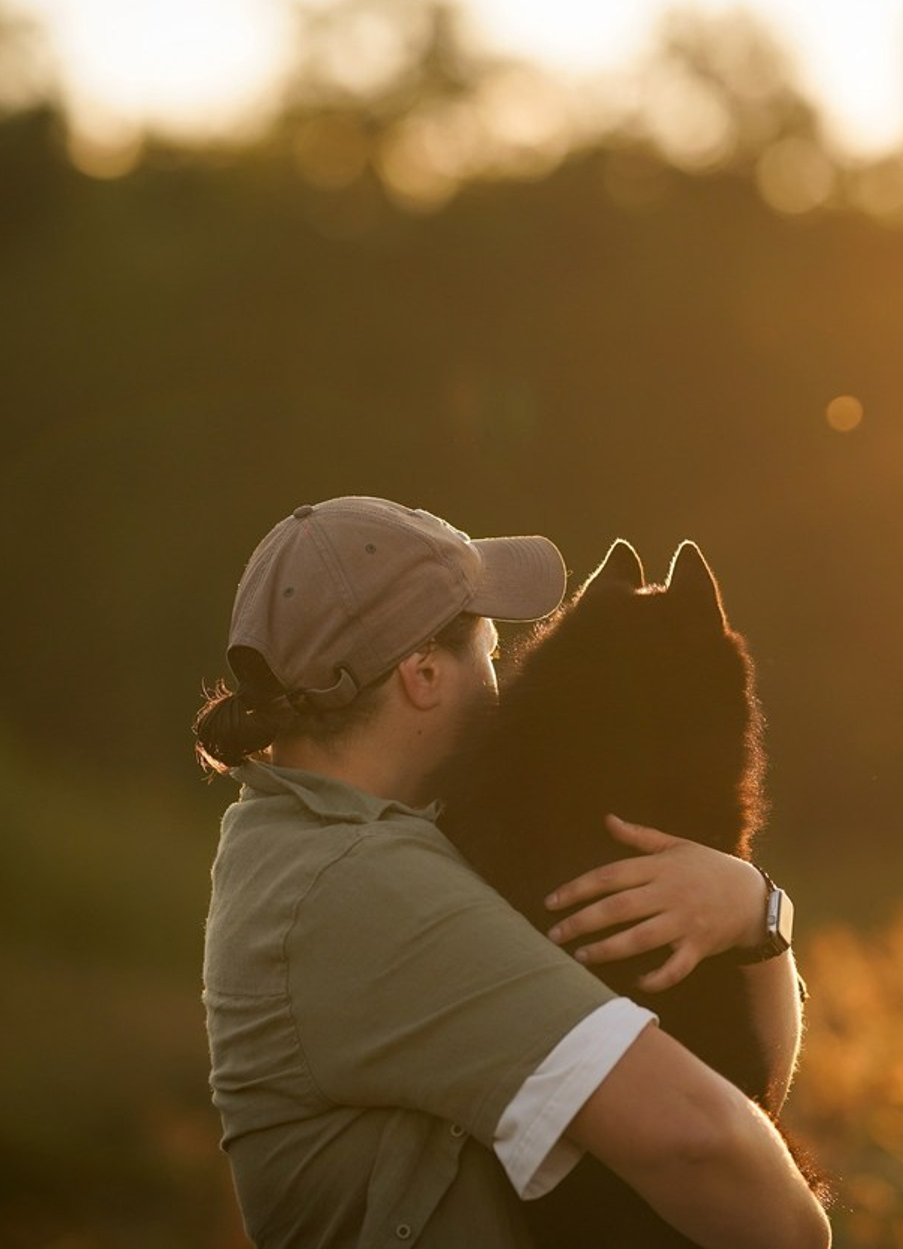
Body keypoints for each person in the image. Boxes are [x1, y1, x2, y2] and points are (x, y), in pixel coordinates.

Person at [196, 496, 830, 1248]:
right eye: (491, 654)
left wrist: (756, 916)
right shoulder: (364, 890)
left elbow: (743, 1100)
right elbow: (703, 1143)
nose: (503, 680)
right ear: (423, 675)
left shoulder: (341, 843)